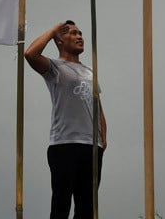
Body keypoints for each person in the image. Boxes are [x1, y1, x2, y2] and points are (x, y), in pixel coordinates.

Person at [24, 20, 107, 219]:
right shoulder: (55, 68)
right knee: (61, 204)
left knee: (87, 207)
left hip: (91, 146)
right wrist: (53, 30)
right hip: (65, 144)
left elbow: (97, 106)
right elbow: (30, 54)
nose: (79, 36)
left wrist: (103, 138)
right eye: (73, 33)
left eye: (80, 33)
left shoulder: (89, 71)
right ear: (60, 40)